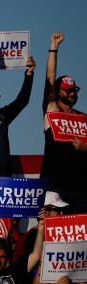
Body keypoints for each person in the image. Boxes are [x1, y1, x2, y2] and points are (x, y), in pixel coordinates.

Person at [40, 32, 87, 214]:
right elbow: (50, 80)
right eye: (67, 90)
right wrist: (54, 47)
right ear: (58, 92)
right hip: (57, 187)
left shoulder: (83, 117)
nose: (72, 94)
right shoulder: (52, 110)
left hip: (83, 189)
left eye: (74, 90)